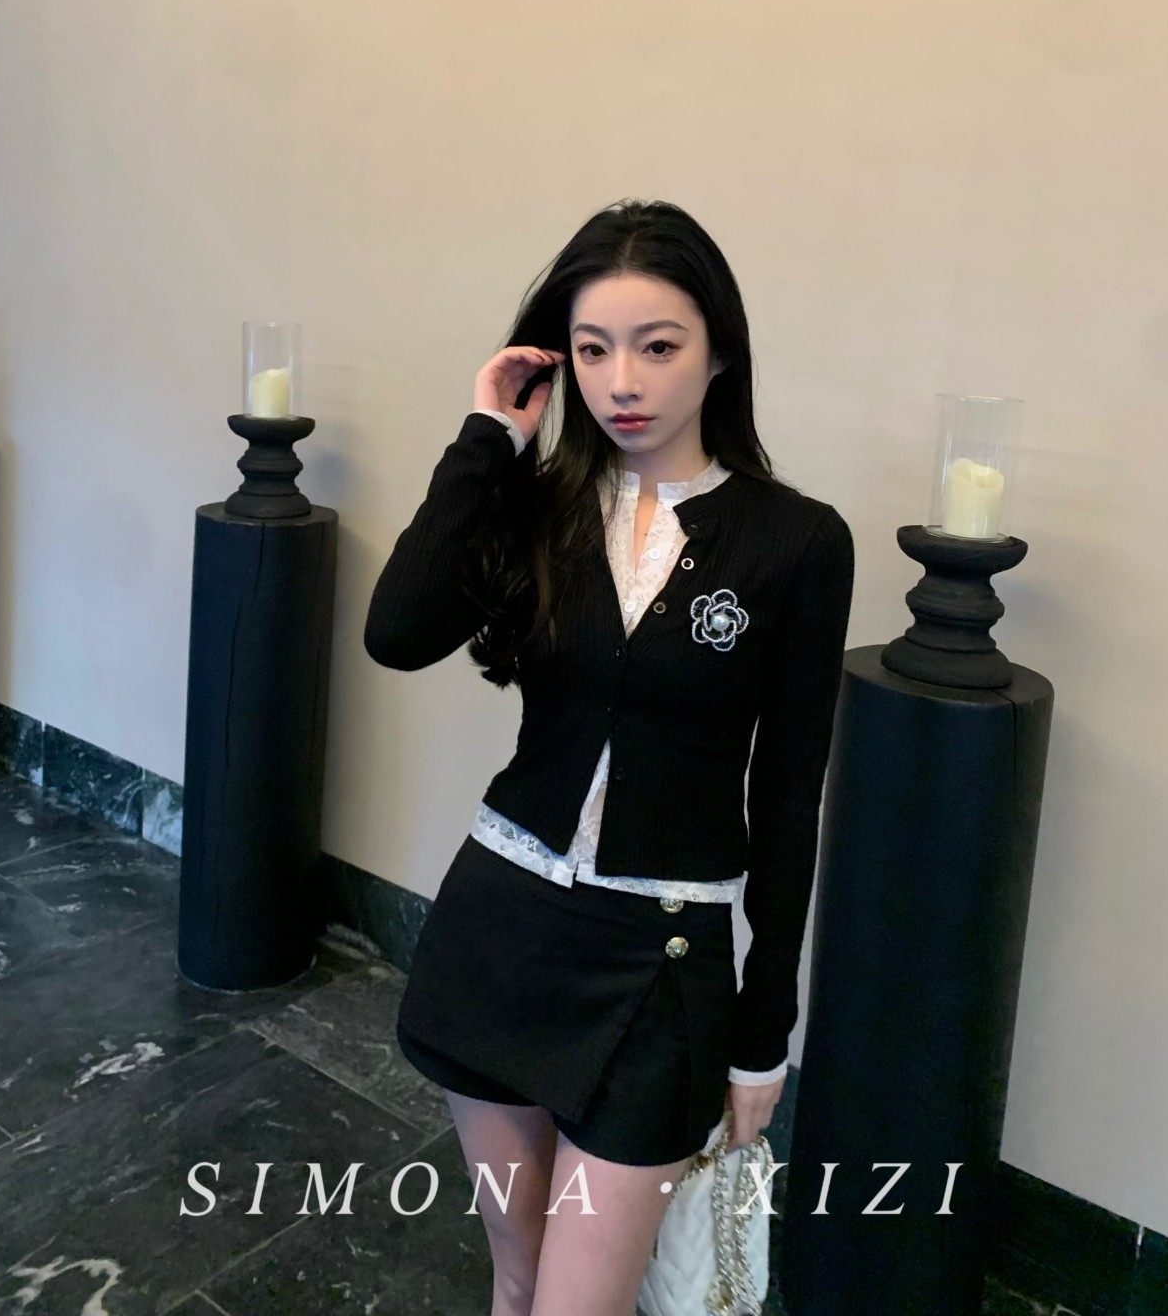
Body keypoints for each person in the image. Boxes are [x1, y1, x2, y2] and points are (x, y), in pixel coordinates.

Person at [363, 197, 855, 1316]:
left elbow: (787, 796)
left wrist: (762, 1034)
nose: (621, 380)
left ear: (719, 353)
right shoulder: (540, 507)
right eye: (592, 350)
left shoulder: (795, 541)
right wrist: (486, 439)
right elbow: (395, 632)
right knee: (518, 1277)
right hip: (498, 931)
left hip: (660, 963)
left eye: (657, 346)